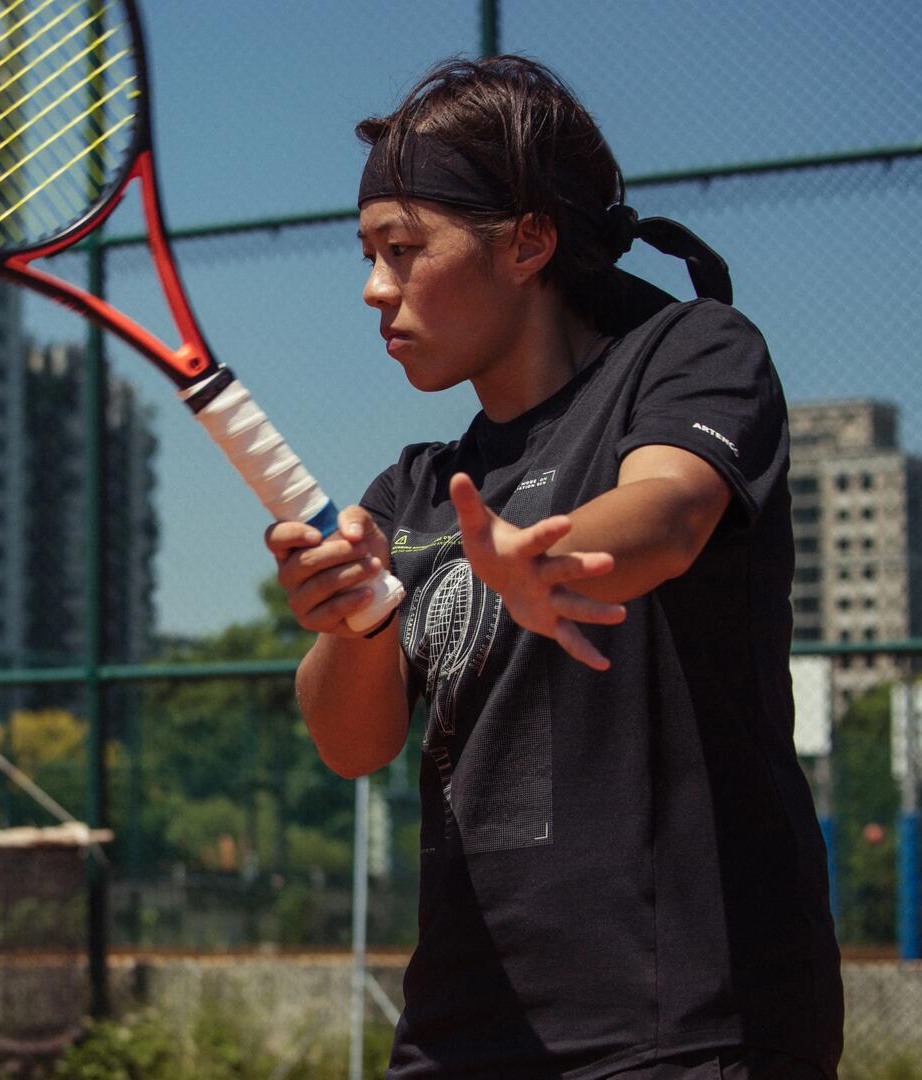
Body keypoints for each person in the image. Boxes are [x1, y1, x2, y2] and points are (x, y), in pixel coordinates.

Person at [266, 56, 844, 1078]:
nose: (374, 288)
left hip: (688, 1033)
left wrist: (553, 560)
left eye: (404, 249)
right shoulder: (414, 490)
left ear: (529, 240)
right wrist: (347, 619)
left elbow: (664, 515)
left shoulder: (693, 354)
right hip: (458, 1036)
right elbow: (352, 743)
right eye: (367, 252)